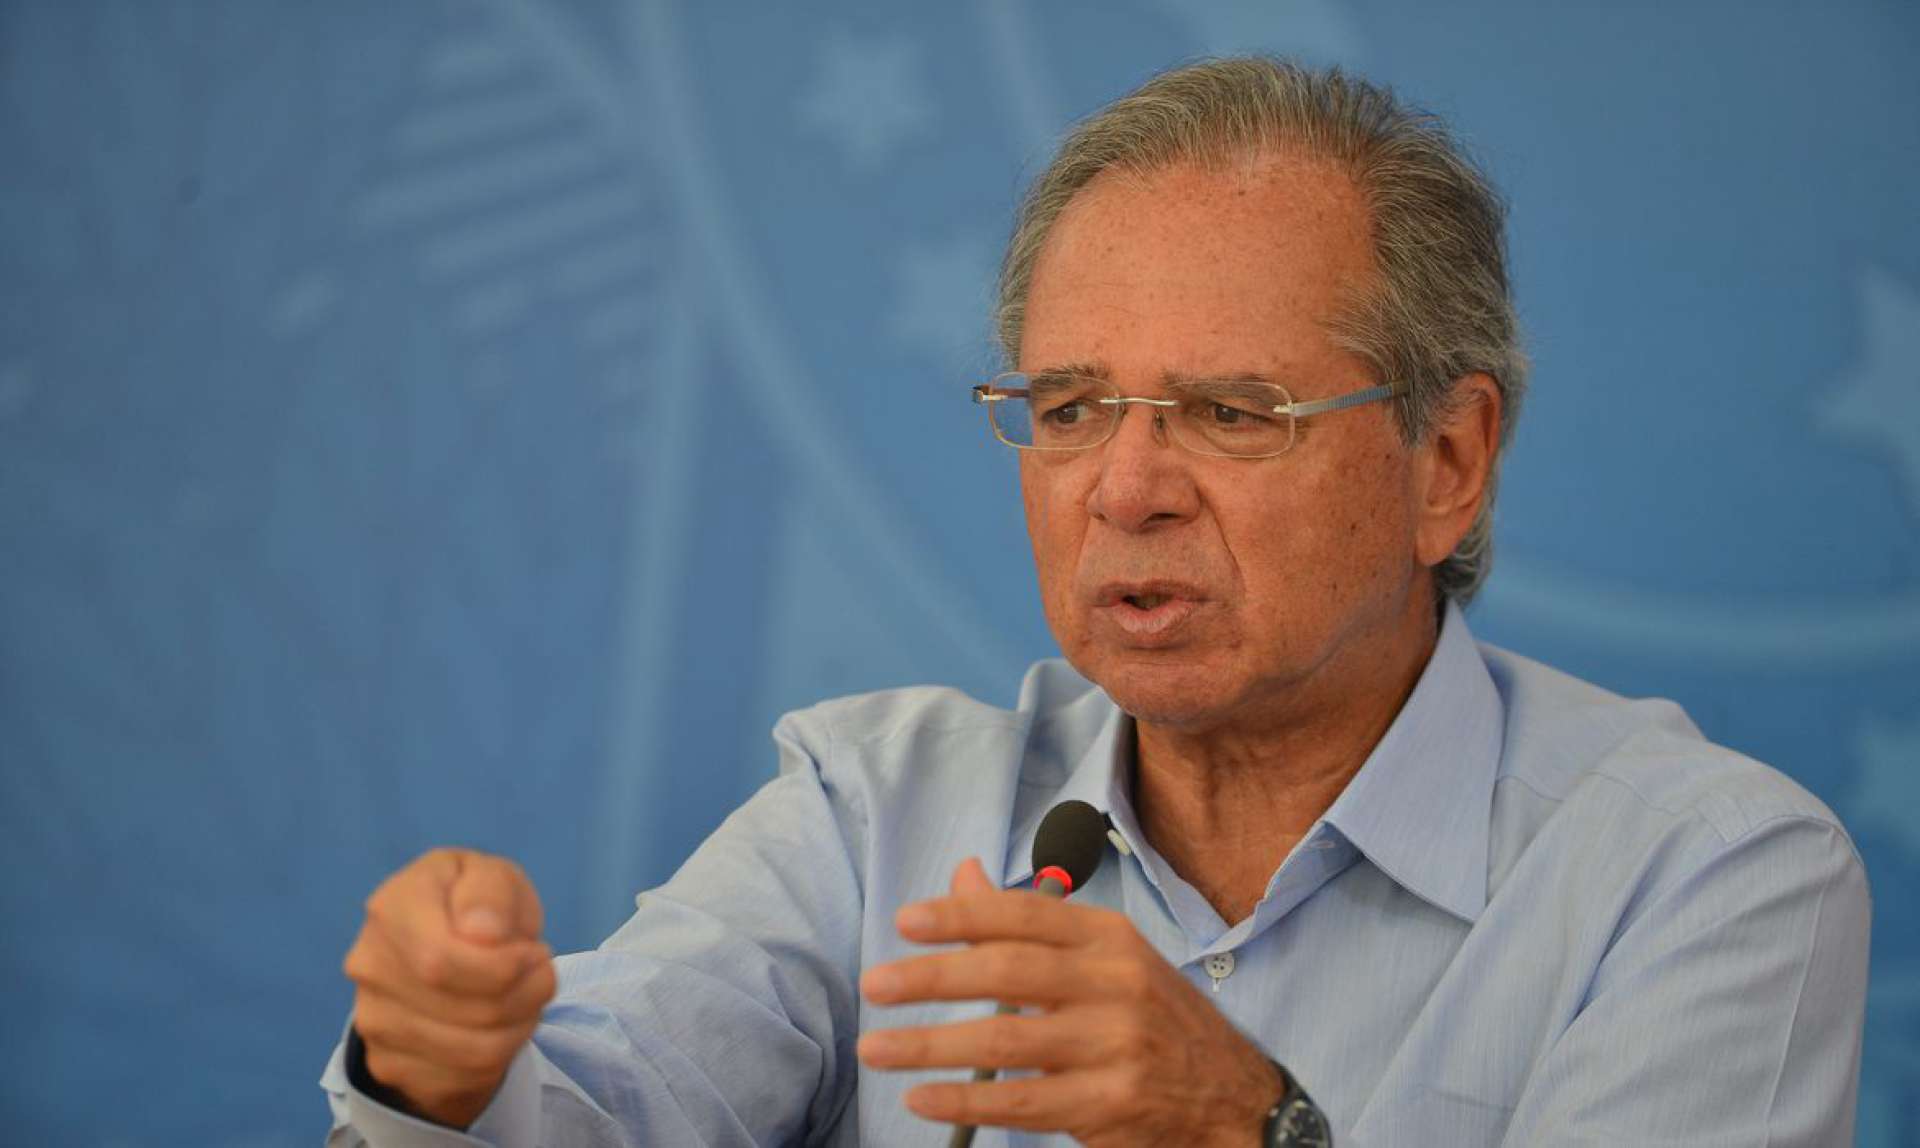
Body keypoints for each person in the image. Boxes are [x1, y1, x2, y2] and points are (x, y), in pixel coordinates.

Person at [321, 58, 1870, 1146]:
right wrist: (439, 1067)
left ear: (1446, 460)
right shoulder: (876, 816)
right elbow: (589, 1112)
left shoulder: (1703, 876)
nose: (1123, 488)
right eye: (1070, 408)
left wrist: (1245, 1133)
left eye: (1229, 412)